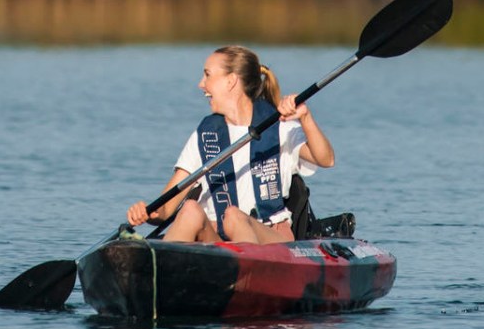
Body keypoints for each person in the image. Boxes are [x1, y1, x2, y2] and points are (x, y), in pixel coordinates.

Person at [125, 45, 334, 244]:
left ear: (231, 81)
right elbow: (166, 208)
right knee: (189, 209)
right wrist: (149, 213)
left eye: (207, 75)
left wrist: (305, 117)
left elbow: (326, 159)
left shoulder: (278, 126)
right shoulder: (206, 134)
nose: (201, 84)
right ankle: (157, 269)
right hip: (219, 239)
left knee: (234, 216)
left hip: (270, 238)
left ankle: (250, 275)